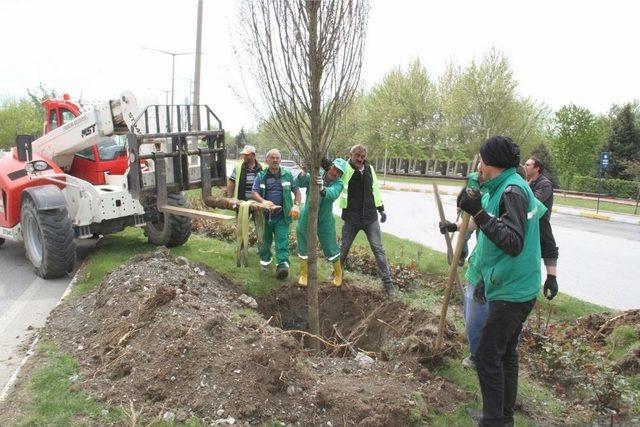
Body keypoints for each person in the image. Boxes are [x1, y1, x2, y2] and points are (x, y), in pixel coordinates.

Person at [458, 135, 545, 427]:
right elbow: (495, 242)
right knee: (505, 352)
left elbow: (512, 241)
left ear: (491, 162)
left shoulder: (512, 191)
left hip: (513, 291)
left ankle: (494, 421)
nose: (478, 165)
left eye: (481, 160)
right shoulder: (504, 186)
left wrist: (479, 214)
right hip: (510, 283)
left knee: (486, 355)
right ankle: (501, 416)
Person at [339, 144, 396, 296]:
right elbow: (331, 174)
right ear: (350, 155)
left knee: (378, 249)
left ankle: (388, 283)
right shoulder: (345, 169)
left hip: (370, 217)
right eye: (357, 155)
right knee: (344, 248)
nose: (359, 159)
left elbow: (375, 190)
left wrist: (381, 209)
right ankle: (337, 275)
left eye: (362, 157)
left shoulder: (369, 169)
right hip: (351, 217)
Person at [295, 158, 347, 287]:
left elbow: (332, 194)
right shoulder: (316, 174)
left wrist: (322, 188)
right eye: (334, 168)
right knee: (303, 241)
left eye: (339, 172)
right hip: (307, 214)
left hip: (325, 219)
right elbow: (300, 182)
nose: (335, 172)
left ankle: (338, 274)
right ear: (331, 166)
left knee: (331, 245)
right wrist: (304, 171)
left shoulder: (339, 183)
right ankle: (304, 274)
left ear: (341, 175)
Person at [251, 149, 301, 279]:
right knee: (264, 242)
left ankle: (282, 266)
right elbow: (254, 192)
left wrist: (296, 205)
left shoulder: (287, 175)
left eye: (277, 158)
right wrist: (263, 201)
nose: (275, 160)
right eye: (272, 158)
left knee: (282, 241)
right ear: (267, 160)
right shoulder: (261, 176)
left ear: (280, 160)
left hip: (282, 216)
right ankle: (265, 262)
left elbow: (297, 191)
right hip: (264, 216)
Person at [523, 156, 559, 298]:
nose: (524, 166)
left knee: (547, 245)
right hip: (525, 221)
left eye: (528, 165)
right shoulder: (525, 182)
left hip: (539, 222)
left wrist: (552, 278)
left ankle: (550, 279)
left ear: (537, 168)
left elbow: (532, 202)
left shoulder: (545, 184)